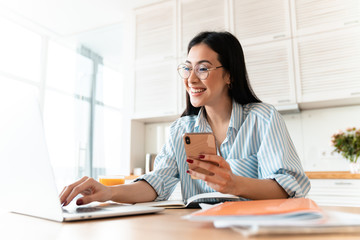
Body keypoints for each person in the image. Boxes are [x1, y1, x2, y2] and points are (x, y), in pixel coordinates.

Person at [60, 31, 310, 207]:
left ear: (229, 76)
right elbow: (157, 183)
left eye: (203, 68)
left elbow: (289, 186)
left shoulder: (263, 118)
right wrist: (109, 191)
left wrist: (234, 184)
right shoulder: (180, 130)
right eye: (187, 68)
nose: (190, 79)